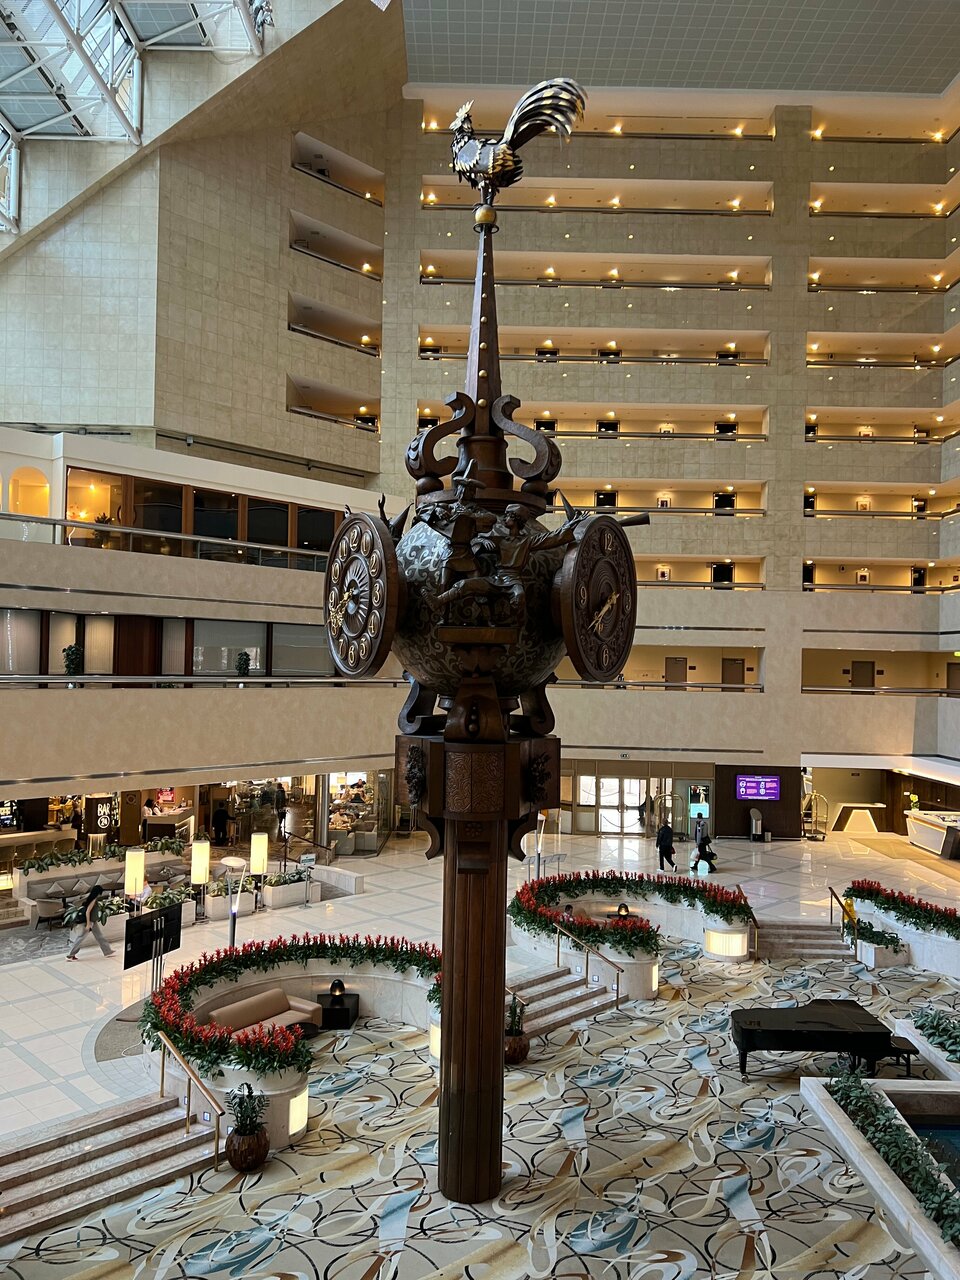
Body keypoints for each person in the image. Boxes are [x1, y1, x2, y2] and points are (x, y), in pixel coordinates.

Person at [66, 886, 116, 960]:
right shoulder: (93, 900)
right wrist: (88, 924)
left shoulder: (92, 899)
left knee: (100, 937)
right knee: (81, 938)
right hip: (89, 922)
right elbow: (87, 912)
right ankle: (70, 955)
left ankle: (108, 952)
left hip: (93, 922)